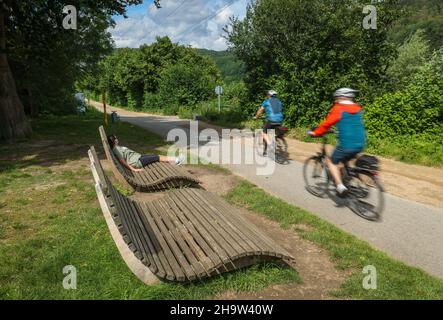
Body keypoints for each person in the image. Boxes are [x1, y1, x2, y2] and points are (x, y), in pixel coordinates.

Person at [308, 88, 367, 197]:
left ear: (342, 97)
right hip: (360, 142)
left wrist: (315, 133)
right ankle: (349, 181)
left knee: (331, 162)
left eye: (336, 98)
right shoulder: (357, 108)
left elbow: (326, 124)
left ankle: (340, 186)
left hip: (347, 144)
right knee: (345, 161)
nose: (335, 100)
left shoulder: (339, 108)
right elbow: (351, 124)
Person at [107, 134, 185, 173]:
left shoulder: (115, 148)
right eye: (116, 138)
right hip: (137, 162)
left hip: (137, 158)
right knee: (157, 157)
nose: (117, 139)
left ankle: (175, 160)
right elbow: (122, 161)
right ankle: (176, 160)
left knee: (155, 155)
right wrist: (134, 169)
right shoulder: (116, 150)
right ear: (114, 141)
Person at [254, 90, 284, 154]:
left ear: (269, 95)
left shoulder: (266, 101)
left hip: (271, 120)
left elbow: (260, 110)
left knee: (264, 132)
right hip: (280, 120)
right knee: (276, 132)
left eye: (267, 95)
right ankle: (276, 140)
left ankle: (270, 144)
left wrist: (256, 117)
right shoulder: (279, 102)